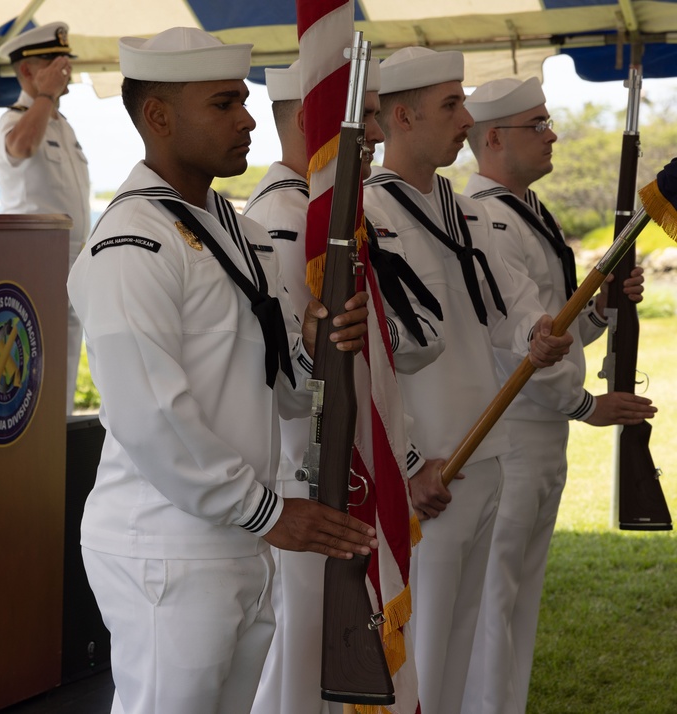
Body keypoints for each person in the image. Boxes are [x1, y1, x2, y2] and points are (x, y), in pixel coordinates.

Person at [67, 27, 379, 714]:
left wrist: (314, 348)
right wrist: (267, 513)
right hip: (169, 545)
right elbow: (150, 413)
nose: (246, 120)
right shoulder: (133, 242)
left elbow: (276, 388)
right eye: (223, 104)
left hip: (234, 536)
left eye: (242, 100)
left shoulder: (233, 230)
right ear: (159, 117)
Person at [362, 46, 573, 714]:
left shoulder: (466, 210)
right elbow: (367, 361)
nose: (465, 117)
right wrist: (414, 461)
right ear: (402, 116)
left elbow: (509, 307)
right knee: (416, 661)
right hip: (429, 479)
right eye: (451, 105)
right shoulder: (365, 215)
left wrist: (536, 334)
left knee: (464, 648)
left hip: (486, 458)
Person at [244, 59, 443, 714]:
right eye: (370, 114)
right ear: (316, 123)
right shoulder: (280, 220)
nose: (382, 130)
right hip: (314, 472)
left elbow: (404, 347)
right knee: (304, 662)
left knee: (332, 657)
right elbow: (290, 379)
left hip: (345, 464)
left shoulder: (343, 215)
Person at [460, 77, 655, 714]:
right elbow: (515, 345)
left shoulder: (530, 211)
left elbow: (557, 329)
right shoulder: (485, 219)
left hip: (542, 437)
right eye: (536, 125)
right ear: (493, 139)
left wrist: (599, 311)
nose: (552, 135)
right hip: (512, 436)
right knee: (493, 607)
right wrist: (587, 406)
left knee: (518, 605)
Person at [0, 23, 90, 413]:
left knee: (64, 375)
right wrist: (45, 96)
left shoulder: (62, 125)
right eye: (52, 62)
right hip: (32, 269)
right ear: (26, 73)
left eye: (65, 62)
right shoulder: (13, 119)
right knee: (31, 381)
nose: (63, 69)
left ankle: (60, 460)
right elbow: (20, 145)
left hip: (71, 267)